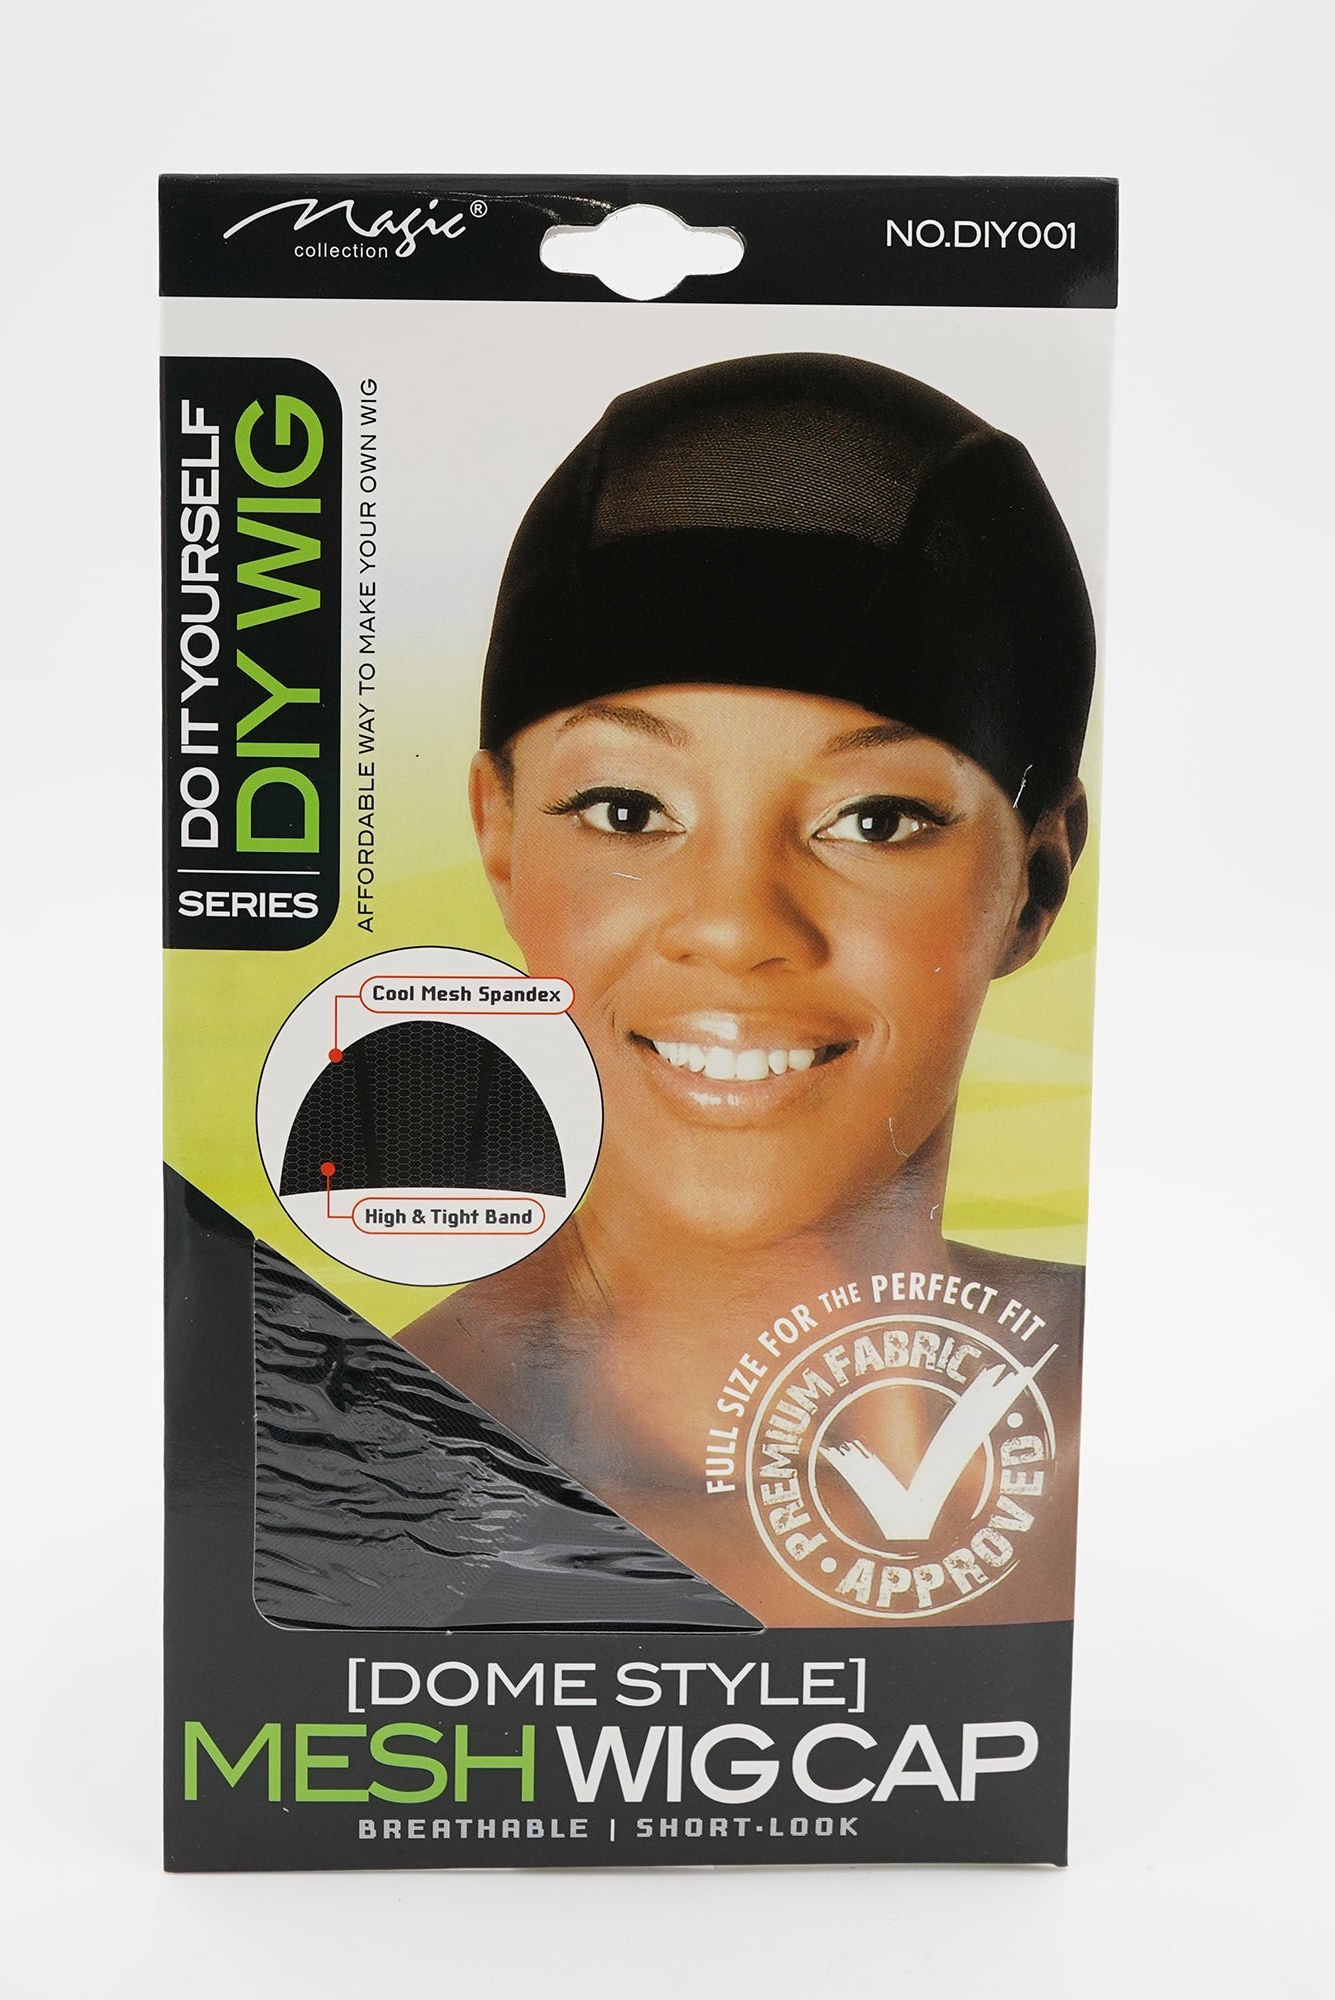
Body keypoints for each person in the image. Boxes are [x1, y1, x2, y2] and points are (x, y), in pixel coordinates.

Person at [402, 353, 1095, 1627]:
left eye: (873, 819)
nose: (733, 925)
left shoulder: (1183, 1435)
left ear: (1033, 880)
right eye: (626, 809)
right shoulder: (345, 1480)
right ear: (498, 833)